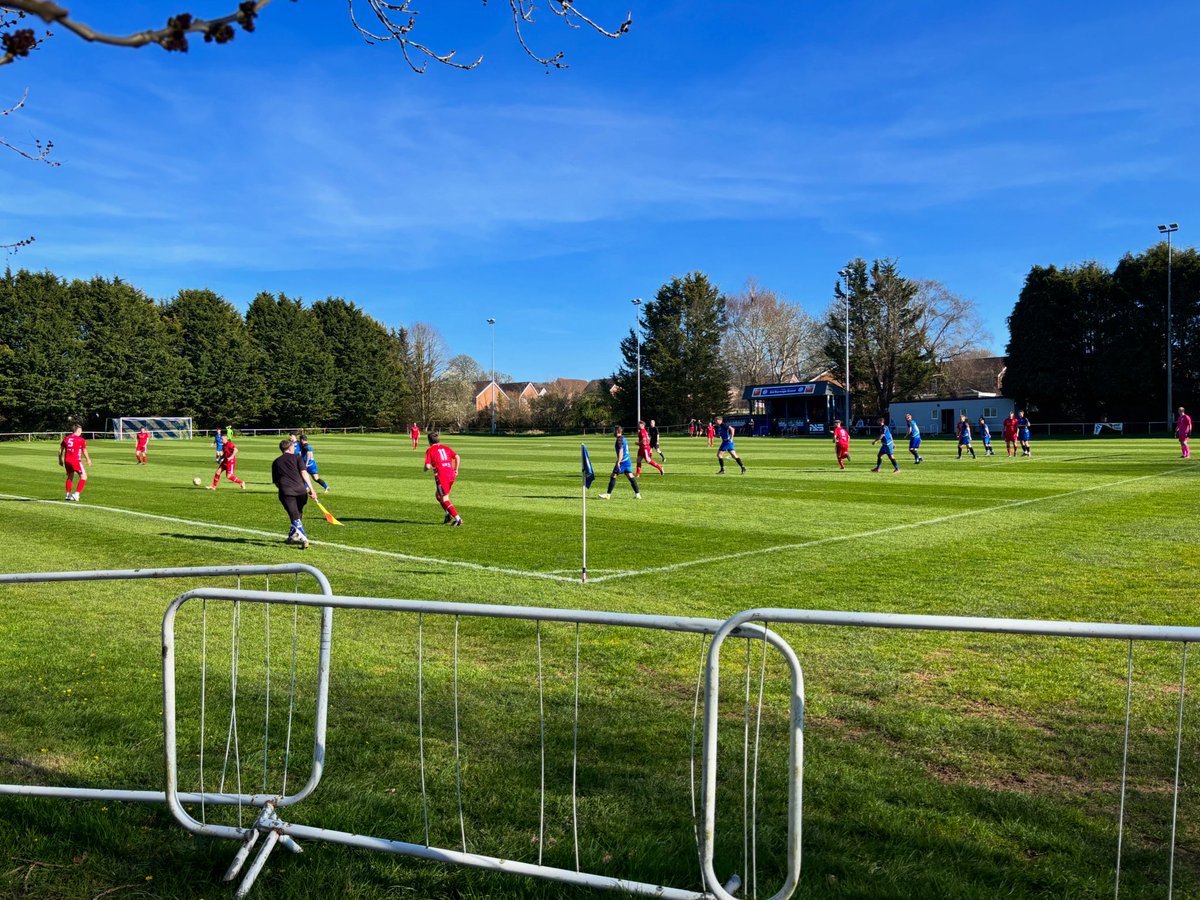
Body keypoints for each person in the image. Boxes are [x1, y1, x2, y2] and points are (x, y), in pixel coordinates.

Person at [272, 438, 318, 549]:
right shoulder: (297, 458)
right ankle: (292, 536)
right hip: (301, 491)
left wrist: (283, 487)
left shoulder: (276, 462)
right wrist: (312, 490)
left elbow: (276, 483)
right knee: (297, 513)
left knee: (294, 515)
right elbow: (304, 473)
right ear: (290, 448)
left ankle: (304, 538)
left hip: (287, 492)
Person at [424, 430, 462, 525]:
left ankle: (458, 519)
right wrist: (456, 469)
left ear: (429, 441)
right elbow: (457, 456)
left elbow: (428, 466)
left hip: (442, 477)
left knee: (445, 499)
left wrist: (425, 468)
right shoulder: (446, 447)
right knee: (438, 495)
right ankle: (448, 513)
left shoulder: (430, 450)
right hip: (451, 474)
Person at [599, 425, 640, 499]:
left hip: (622, 462)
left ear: (618, 431)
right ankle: (638, 495)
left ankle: (608, 495)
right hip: (628, 460)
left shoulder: (619, 440)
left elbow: (621, 451)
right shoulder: (624, 439)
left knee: (613, 476)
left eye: (614, 430)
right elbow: (627, 449)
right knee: (630, 476)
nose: (613, 432)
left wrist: (618, 461)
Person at [58, 424, 92, 501]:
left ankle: (68, 495)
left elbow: (60, 450)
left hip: (67, 461)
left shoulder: (66, 438)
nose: (82, 431)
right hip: (76, 461)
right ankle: (76, 494)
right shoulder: (81, 439)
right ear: (78, 430)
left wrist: (60, 459)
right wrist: (88, 459)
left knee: (70, 476)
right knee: (84, 476)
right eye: (81, 430)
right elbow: (84, 450)